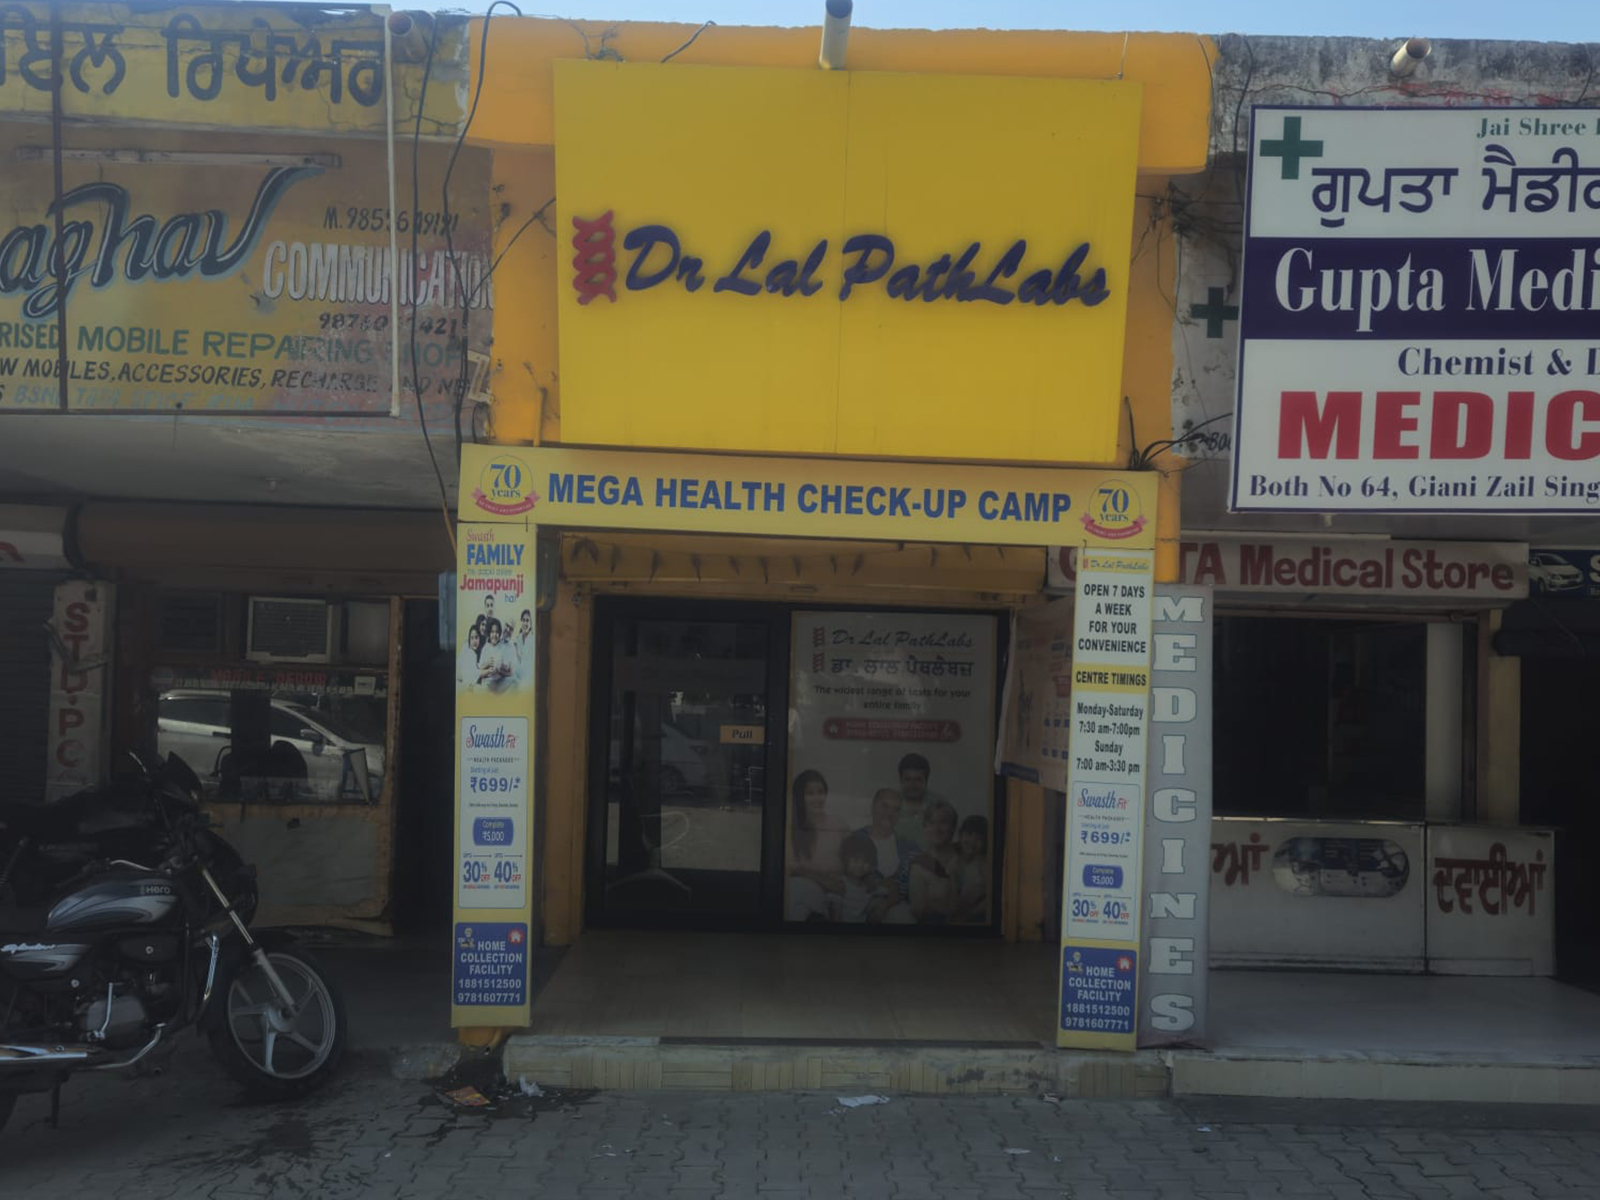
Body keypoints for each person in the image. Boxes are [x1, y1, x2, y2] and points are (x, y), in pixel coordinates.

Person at [785, 769, 846, 922]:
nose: (817, 798)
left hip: (834, 894)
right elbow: (789, 869)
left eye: (821, 792)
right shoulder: (791, 827)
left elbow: (853, 864)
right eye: (810, 793)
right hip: (803, 891)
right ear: (799, 797)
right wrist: (820, 880)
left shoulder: (839, 826)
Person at [851, 788, 918, 917]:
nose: (890, 813)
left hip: (897, 910)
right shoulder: (854, 839)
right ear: (873, 807)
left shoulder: (909, 847)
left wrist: (887, 902)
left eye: (896, 809)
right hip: (858, 908)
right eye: (885, 806)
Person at [907, 800, 962, 923]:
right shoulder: (919, 865)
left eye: (943, 822)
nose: (937, 829)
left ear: (953, 827)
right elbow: (919, 912)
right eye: (931, 823)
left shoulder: (965, 855)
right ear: (925, 827)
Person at [829, 832, 889, 924]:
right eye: (856, 860)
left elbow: (885, 893)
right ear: (845, 859)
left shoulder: (869, 886)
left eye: (866, 861)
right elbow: (835, 915)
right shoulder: (840, 884)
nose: (860, 865)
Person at [894, 753, 947, 851]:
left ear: (926, 781)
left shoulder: (939, 804)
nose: (912, 785)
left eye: (918, 779)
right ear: (901, 780)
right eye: (908, 779)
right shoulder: (889, 803)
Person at [953, 813, 989, 923]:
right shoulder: (950, 855)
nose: (972, 842)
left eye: (979, 838)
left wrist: (969, 915)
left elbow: (991, 898)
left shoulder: (985, 864)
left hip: (973, 917)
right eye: (968, 834)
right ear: (960, 835)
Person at [457, 625, 485, 690]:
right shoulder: (468, 650)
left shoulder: (478, 652)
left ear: (480, 638)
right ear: (469, 639)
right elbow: (469, 677)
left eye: (476, 637)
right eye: (472, 638)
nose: (474, 641)